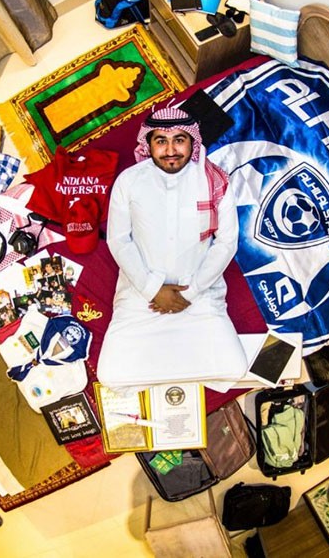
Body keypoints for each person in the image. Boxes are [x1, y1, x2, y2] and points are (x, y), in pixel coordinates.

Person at [97, 106, 248, 390]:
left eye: (179, 140)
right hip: (140, 297)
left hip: (200, 296)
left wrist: (190, 293)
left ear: (192, 142)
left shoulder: (215, 181)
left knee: (234, 369)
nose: (170, 150)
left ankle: (166, 370)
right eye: (161, 141)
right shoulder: (129, 181)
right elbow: (119, 240)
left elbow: (227, 243)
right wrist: (153, 289)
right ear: (148, 144)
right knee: (110, 376)